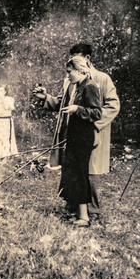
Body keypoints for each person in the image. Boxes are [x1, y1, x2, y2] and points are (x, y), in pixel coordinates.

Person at [34, 43, 120, 220]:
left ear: (87, 59)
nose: (72, 64)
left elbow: (113, 106)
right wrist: (45, 98)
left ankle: (92, 211)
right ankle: (73, 206)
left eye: (77, 58)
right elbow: (63, 104)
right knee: (72, 169)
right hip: (71, 133)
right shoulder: (71, 79)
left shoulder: (101, 79)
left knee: (88, 171)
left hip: (92, 132)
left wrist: (92, 125)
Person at [37, 56, 102, 226]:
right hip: (73, 136)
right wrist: (45, 97)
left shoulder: (90, 87)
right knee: (72, 173)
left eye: (69, 72)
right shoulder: (77, 87)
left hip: (83, 138)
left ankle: (84, 218)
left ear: (80, 70)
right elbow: (61, 104)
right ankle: (75, 212)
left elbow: (97, 113)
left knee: (79, 174)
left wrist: (77, 109)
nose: (68, 76)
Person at [0, 85, 18, 159]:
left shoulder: (9, 99)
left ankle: (6, 155)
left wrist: (2, 98)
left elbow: (6, 107)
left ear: (5, 92)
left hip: (6, 121)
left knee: (5, 138)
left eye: (2, 91)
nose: (0, 92)